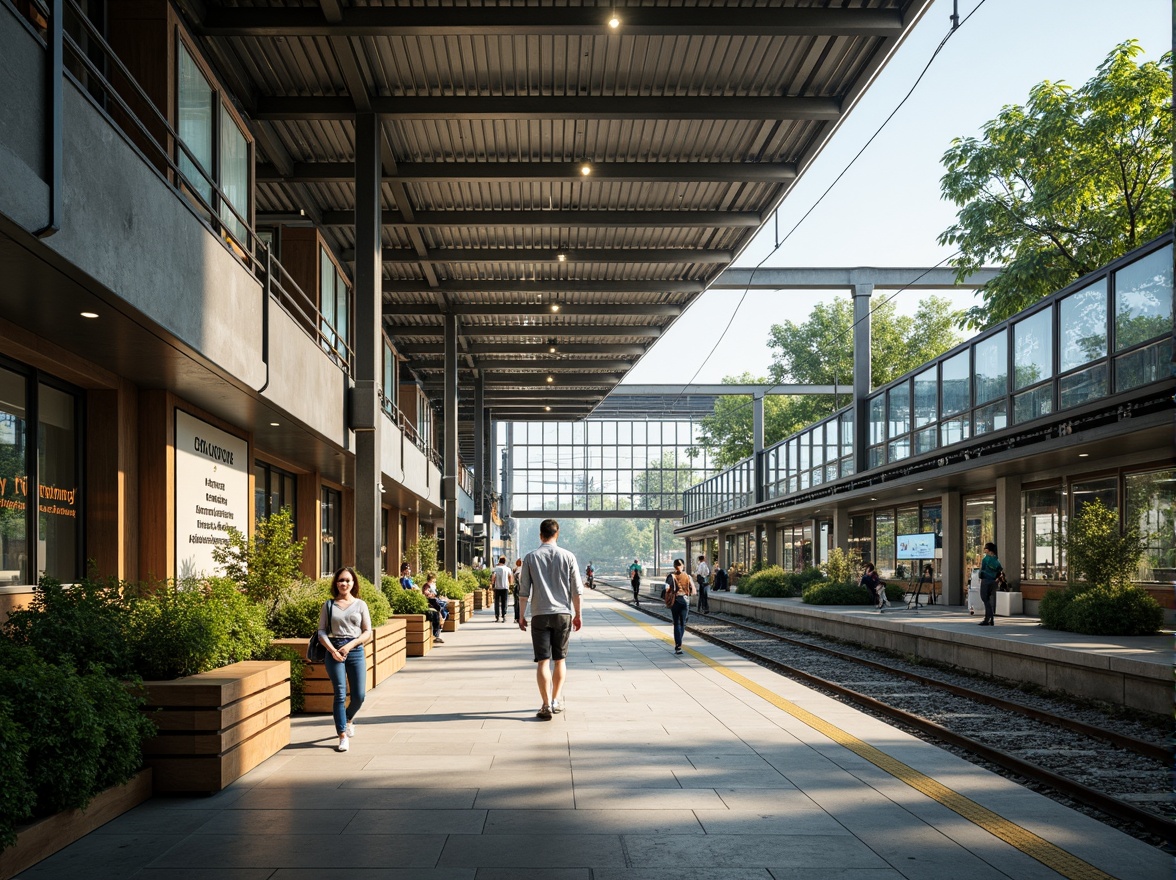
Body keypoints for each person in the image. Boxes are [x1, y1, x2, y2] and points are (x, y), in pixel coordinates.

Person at [518, 519, 584, 720]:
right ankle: (556, 700)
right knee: (560, 660)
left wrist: (521, 615)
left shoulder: (530, 558)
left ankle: (545, 704)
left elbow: (523, 592)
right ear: (557, 534)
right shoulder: (568, 556)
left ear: (541, 535)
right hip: (563, 614)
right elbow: (577, 591)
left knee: (543, 662)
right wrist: (578, 614)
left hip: (539, 614)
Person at [315, 567, 372, 752]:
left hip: (354, 651)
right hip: (333, 651)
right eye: (341, 580)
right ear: (336, 583)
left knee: (359, 696)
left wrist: (350, 646)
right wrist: (332, 650)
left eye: (347, 580)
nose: (344, 584)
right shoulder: (329, 605)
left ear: (353, 583)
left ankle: (347, 719)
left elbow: (367, 632)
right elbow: (321, 631)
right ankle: (342, 735)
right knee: (340, 693)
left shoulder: (360, 605)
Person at [663, 559, 694, 654]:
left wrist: (671, 592)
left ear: (674, 566)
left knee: (676, 623)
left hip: (675, 601)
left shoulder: (670, 576)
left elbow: (666, 589)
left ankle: (678, 646)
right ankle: (679, 642)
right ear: (683, 565)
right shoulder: (688, 576)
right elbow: (692, 589)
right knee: (683, 623)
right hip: (685, 601)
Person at [978, 542, 1003, 626]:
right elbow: (1000, 570)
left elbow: (982, 570)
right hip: (994, 581)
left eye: (985, 548)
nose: (984, 549)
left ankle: (989, 618)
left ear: (988, 550)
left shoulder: (986, 559)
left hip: (986, 580)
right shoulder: (996, 560)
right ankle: (989, 618)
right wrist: (997, 578)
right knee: (989, 599)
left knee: (984, 598)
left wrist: (980, 576)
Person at [492, 555, 512, 622]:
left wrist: (492, 584)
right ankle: (504, 616)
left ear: (499, 561)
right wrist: (510, 584)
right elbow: (510, 577)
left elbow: (493, 577)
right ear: (504, 562)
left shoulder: (496, 568)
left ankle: (497, 616)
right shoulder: (508, 569)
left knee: (497, 602)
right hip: (505, 587)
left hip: (497, 587)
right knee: (504, 602)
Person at [512, 557, 523, 622]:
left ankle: (516, 617)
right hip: (520, 587)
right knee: (520, 603)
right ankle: (520, 616)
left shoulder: (515, 569)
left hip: (515, 587)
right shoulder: (521, 570)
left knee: (516, 603)